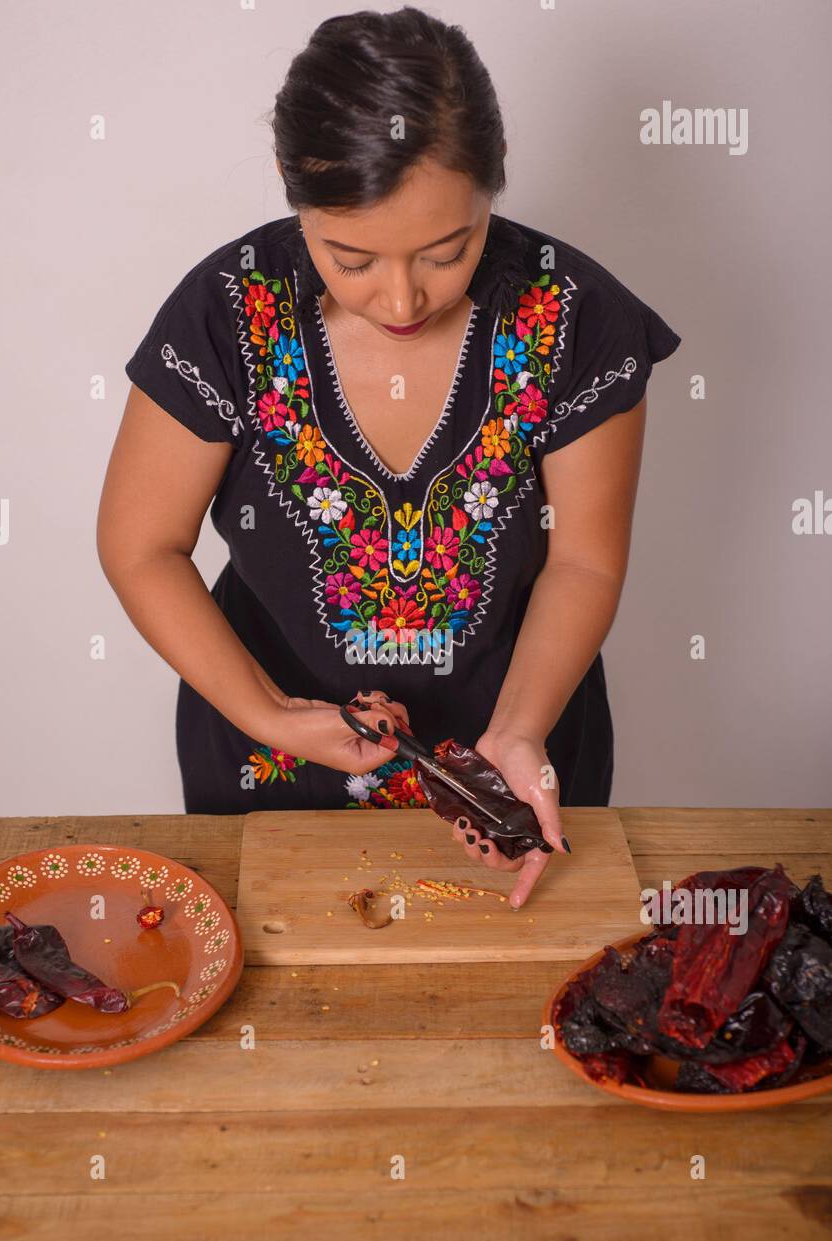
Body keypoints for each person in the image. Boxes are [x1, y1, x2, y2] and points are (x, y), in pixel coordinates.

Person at [97, 6, 681, 909]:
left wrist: (519, 733)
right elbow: (141, 546)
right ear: (297, 201)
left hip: (515, 754)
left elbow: (584, 558)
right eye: (351, 257)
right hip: (268, 767)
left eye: (448, 251)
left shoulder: (574, 317)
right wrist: (270, 714)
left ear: (492, 191)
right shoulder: (227, 311)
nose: (402, 297)